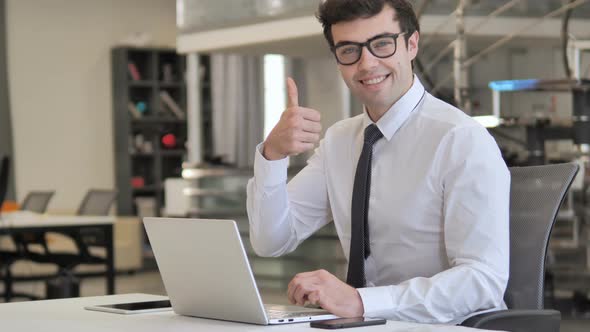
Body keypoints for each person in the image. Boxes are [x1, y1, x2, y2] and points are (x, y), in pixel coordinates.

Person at [246, 0, 510, 324]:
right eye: (349, 50)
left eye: (382, 44)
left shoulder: (461, 140)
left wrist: (361, 302)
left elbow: (483, 281)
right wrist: (273, 155)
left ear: (411, 44)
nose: (366, 64)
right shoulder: (340, 141)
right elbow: (271, 240)